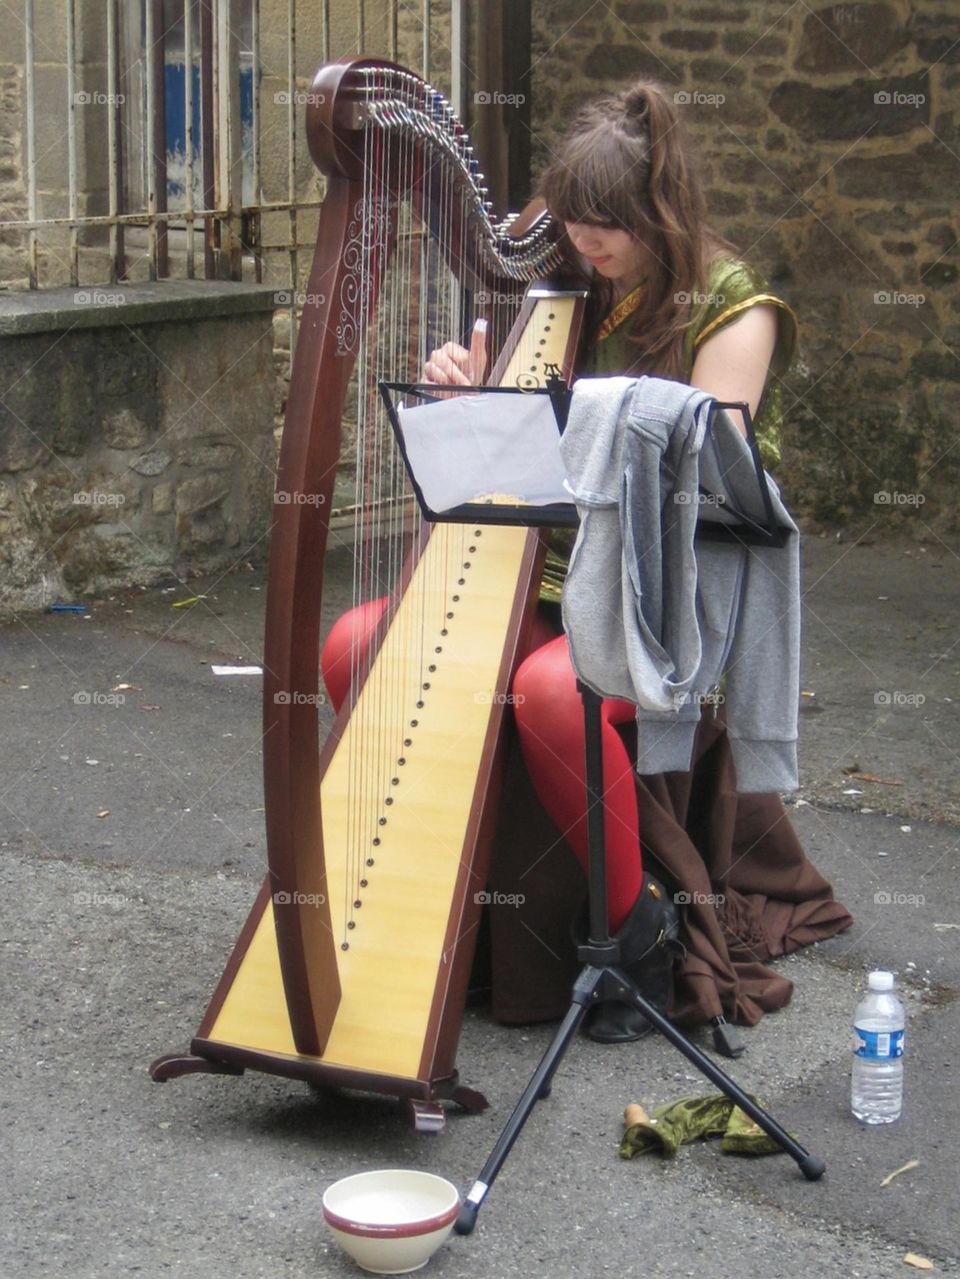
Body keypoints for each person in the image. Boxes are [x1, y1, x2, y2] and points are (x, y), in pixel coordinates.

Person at [323, 80, 851, 1043]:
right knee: (354, 644)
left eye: (611, 221)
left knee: (552, 691)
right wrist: (474, 397)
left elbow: (705, 490)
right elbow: (523, 459)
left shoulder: (735, 309)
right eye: (573, 217)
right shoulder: (562, 286)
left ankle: (636, 932)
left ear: (662, 210)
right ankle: (424, 906)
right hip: (548, 569)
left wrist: (571, 425)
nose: (588, 239)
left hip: (659, 586)